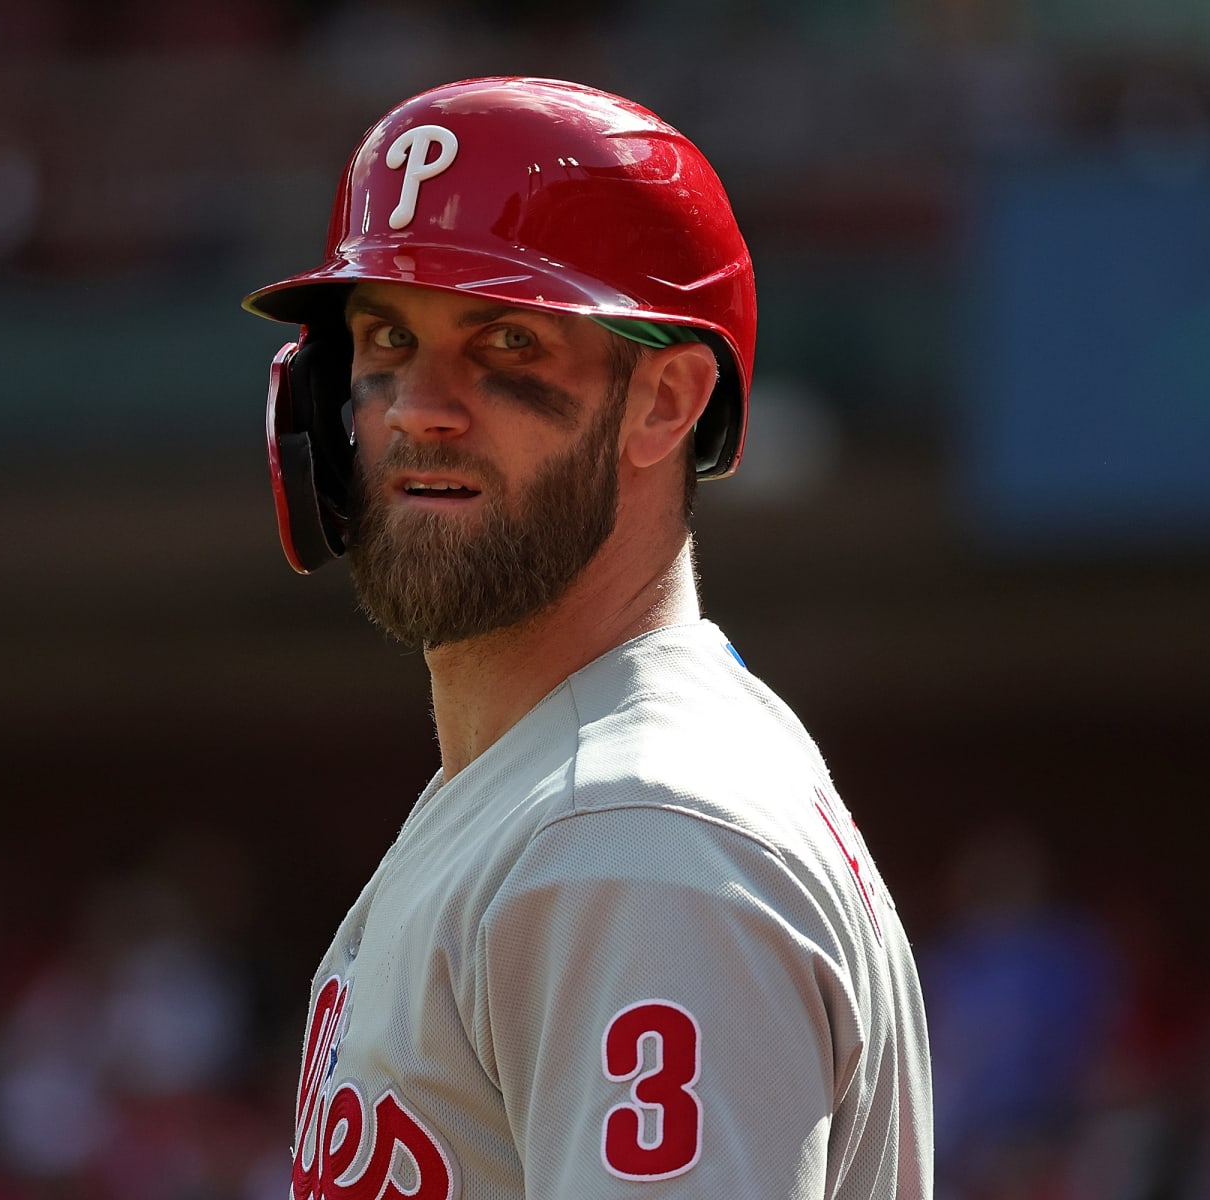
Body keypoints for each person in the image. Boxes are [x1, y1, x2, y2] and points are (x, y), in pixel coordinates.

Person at [243, 76, 932, 1200]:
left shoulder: (635, 837)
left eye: (506, 341)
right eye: (387, 338)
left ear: (665, 402)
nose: (418, 406)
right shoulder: (548, 787)